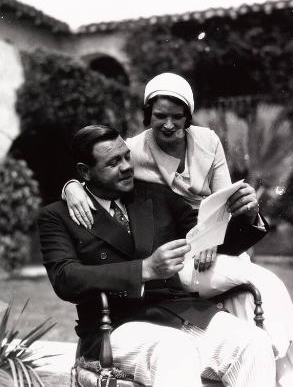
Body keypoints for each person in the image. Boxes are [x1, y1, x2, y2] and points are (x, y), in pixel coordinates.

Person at [62, 73, 293, 386]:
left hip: (213, 242)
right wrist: (71, 186)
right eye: (160, 116)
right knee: (250, 290)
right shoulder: (132, 151)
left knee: (262, 286)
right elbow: (97, 173)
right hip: (171, 252)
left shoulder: (208, 141)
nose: (168, 125)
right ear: (148, 114)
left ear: (188, 116)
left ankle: (284, 372)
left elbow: (224, 202)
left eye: (177, 117)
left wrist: (228, 226)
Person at [38, 124, 276, 387]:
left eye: (126, 156)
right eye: (114, 162)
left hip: (180, 311)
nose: (127, 166)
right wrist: (145, 269)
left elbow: (213, 241)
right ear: (85, 171)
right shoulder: (57, 216)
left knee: (253, 342)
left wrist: (249, 215)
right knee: (174, 350)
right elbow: (65, 278)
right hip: (115, 326)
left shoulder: (155, 196)